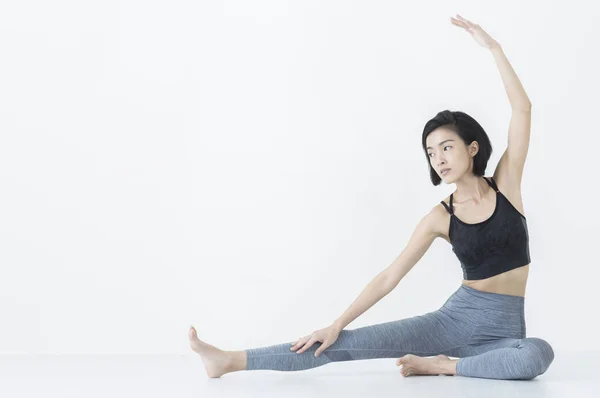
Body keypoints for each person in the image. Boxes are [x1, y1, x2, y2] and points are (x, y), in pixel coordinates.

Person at [188, 14, 554, 380]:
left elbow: (523, 109)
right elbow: (389, 276)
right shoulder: (440, 217)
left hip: (505, 333)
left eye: (446, 147)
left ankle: (442, 365)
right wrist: (336, 323)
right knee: (342, 342)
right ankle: (230, 360)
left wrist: (494, 48)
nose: (439, 158)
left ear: (472, 148)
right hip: (456, 320)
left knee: (536, 355)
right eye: (430, 152)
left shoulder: (505, 185)